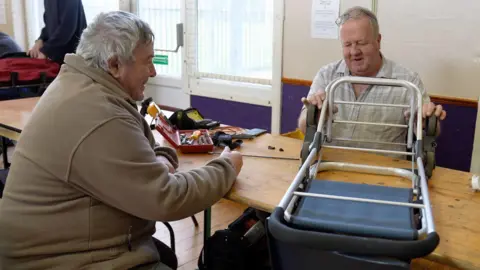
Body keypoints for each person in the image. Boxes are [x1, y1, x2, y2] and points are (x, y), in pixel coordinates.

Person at [0, 11, 243, 270]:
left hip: (67, 243)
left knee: (166, 256)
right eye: (147, 61)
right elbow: (167, 198)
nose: (153, 71)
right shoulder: (98, 113)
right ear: (115, 65)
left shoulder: (82, 86)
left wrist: (159, 158)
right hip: (58, 259)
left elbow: (141, 145)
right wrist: (226, 166)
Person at [298, 6, 447, 155]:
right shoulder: (327, 75)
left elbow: (431, 132)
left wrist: (425, 120)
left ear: (378, 40)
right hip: (329, 166)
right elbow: (304, 127)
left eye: (361, 43)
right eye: (347, 44)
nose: (354, 52)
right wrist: (314, 115)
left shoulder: (408, 81)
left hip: (385, 172)